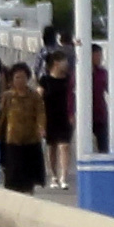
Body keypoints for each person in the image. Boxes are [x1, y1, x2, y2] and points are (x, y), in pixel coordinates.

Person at [0, 63, 47, 193]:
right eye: (17, 77)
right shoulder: (8, 96)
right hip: (12, 139)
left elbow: (40, 113)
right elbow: (2, 116)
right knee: (13, 171)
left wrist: (41, 127)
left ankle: (28, 192)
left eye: (23, 77)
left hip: (30, 139)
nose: (20, 80)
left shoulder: (34, 96)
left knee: (29, 171)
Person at [39, 47, 76, 195]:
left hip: (65, 116)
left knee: (65, 146)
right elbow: (39, 99)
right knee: (51, 147)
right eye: (64, 62)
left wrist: (72, 113)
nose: (66, 64)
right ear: (56, 63)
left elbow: (73, 97)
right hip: (49, 116)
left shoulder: (69, 80)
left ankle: (63, 177)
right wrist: (39, 121)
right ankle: (53, 175)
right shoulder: (45, 80)